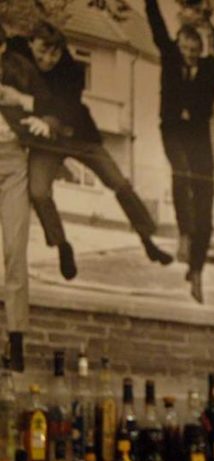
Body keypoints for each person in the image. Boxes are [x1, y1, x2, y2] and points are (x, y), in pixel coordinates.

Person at [9, 21, 172, 282]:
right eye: (42, 52)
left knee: (118, 182)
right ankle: (62, 245)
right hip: (46, 142)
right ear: (30, 44)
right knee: (38, 192)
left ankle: (148, 240)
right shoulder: (16, 52)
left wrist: (42, 115)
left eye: (55, 54)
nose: (48, 59)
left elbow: (67, 104)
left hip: (78, 134)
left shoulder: (72, 71)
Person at [145, 0, 214, 303]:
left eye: (193, 51)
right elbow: (157, 27)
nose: (188, 55)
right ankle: (185, 234)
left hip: (199, 136)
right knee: (181, 172)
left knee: (205, 203)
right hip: (173, 130)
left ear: (199, 50)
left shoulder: (210, 68)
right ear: (179, 46)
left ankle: (197, 271)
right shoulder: (170, 56)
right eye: (184, 49)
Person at [0, 24, 55, 370]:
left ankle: (16, 340)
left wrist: (22, 101)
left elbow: (53, 105)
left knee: (14, 249)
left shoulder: (19, 70)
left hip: (13, 161)